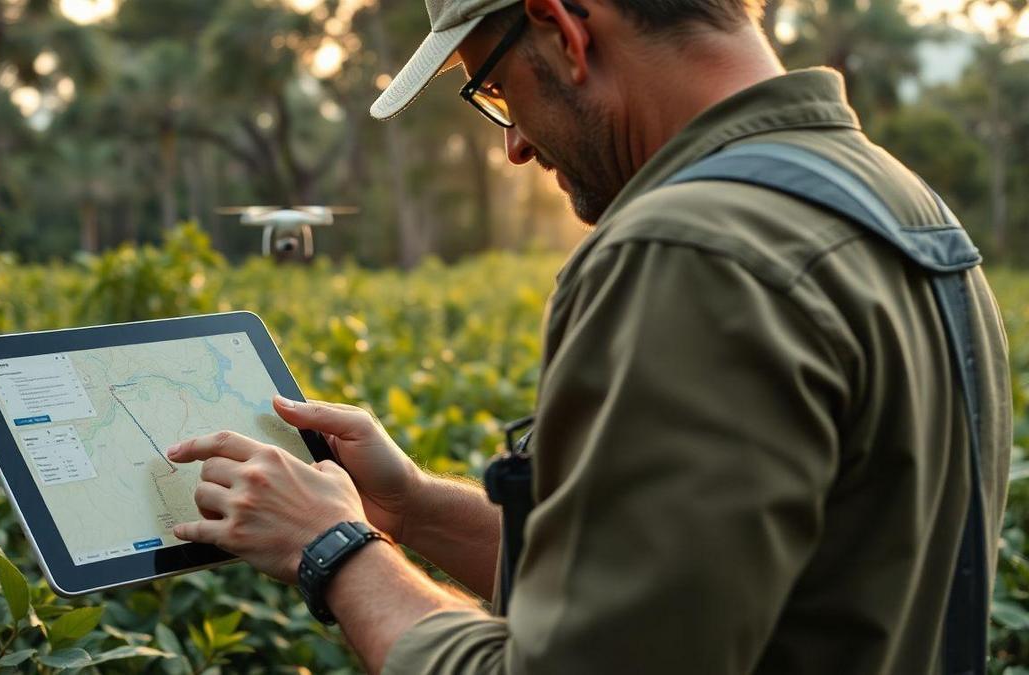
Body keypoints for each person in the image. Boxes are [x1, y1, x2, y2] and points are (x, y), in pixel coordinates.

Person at [164, 0, 1014, 672]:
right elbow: (674, 600)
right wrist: (407, 506)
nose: (515, 148)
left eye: (494, 90)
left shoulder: (691, 251)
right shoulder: (899, 206)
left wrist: (335, 551)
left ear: (563, 29)